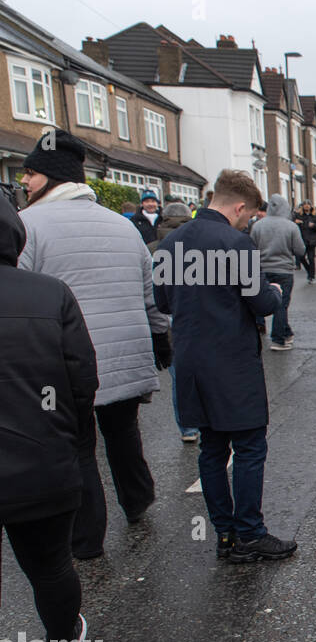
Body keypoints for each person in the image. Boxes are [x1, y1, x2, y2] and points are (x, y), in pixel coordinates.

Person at [17, 129, 167, 560]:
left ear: (49, 176)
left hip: (65, 362)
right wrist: (161, 339)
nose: (24, 182)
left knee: (78, 445)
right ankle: (138, 501)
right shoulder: (123, 226)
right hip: (125, 354)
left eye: (30, 173)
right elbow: (149, 293)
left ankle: (87, 539)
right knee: (123, 434)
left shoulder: (27, 227)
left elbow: (19, 296)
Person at [0, 192, 98, 642]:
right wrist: (73, 442)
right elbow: (81, 378)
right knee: (51, 565)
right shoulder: (48, 294)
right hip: (41, 465)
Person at [154, 169, 296, 564]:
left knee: (212, 449)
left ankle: (226, 536)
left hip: (192, 362)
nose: (248, 222)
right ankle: (251, 532)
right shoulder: (237, 245)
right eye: (249, 216)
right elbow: (263, 304)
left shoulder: (170, 243)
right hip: (232, 361)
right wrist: (275, 291)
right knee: (249, 447)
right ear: (238, 207)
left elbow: (163, 302)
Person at [149, 202, 201, 441]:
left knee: (178, 376)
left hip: (164, 318)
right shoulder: (199, 246)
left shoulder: (152, 248)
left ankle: (187, 427)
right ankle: (205, 420)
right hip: (194, 317)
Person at [249, 193, 306, 352]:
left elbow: (251, 247)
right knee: (281, 305)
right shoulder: (291, 226)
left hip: (262, 269)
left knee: (261, 301)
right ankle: (278, 339)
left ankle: (285, 333)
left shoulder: (257, 226)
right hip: (283, 270)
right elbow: (300, 250)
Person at [294, 201, 316, 284]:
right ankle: (309, 270)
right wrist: (296, 222)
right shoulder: (298, 215)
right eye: (305, 205)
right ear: (302, 206)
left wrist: (314, 225)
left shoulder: (314, 216)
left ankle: (312, 276)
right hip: (302, 240)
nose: (306, 206)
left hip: (311, 240)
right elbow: (292, 223)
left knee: (311, 258)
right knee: (301, 257)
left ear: (311, 206)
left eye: (308, 204)